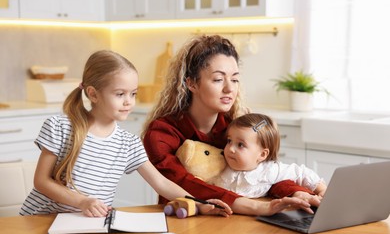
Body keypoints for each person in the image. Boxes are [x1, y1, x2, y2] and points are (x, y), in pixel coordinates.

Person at [19, 50, 232, 218]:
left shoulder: (128, 143)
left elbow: (162, 183)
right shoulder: (61, 127)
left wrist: (199, 204)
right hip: (40, 220)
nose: (129, 101)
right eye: (120, 94)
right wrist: (83, 202)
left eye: (133, 94)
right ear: (93, 94)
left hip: (86, 225)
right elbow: (41, 181)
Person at [142, 35, 320, 216]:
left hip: (231, 219)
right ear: (191, 83)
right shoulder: (161, 133)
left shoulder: (235, 128)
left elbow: (261, 174)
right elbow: (182, 182)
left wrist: (298, 192)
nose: (229, 88)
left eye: (234, 79)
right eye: (218, 79)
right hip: (182, 220)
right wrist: (256, 207)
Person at [212, 113, 327, 198]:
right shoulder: (219, 163)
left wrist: (321, 189)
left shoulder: (269, 170)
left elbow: (301, 173)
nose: (230, 148)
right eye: (229, 141)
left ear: (262, 154)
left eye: (240, 145)